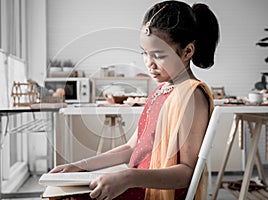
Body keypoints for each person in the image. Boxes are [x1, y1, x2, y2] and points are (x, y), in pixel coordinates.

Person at [49, 1, 219, 199]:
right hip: (136, 184)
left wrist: (128, 177)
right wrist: (79, 167)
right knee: (63, 193)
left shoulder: (191, 96)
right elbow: (131, 148)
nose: (149, 63)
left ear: (187, 52)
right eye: (144, 53)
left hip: (154, 191)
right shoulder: (161, 91)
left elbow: (187, 173)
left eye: (158, 55)